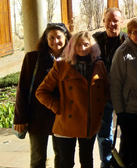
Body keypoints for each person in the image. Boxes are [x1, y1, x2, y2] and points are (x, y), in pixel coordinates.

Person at [36, 31, 109, 168]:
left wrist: (97, 106)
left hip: (89, 122)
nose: (82, 48)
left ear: (92, 47)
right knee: (66, 162)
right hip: (66, 122)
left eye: (86, 45)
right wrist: (57, 107)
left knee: (87, 160)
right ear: (72, 46)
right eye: (78, 45)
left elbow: (106, 90)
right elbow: (41, 92)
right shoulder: (61, 66)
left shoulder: (98, 65)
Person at [14, 23, 71, 168]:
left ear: (66, 38)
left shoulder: (72, 59)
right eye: (51, 38)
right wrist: (20, 118)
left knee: (62, 158)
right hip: (37, 116)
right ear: (45, 39)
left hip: (61, 115)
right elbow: (23, 89)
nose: (55, 41)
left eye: (59, 37)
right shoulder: (33, 58)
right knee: (38, 158)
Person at [110, 17, 137, 168]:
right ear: (129, 33)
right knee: (130, 151)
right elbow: (115, 83)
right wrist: (120, 112)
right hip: (129, 109)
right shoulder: (123, 52)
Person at [92, 7, 128, 168]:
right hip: (102, 94)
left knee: (126, 130)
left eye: (115, 20)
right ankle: (106, 162)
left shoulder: (127, 40)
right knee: (104, 131)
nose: (112, 24)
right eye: (109, 20)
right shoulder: (96, 40)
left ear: (121, 22)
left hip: (123, 93)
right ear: (104, 21)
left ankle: (122, 160)